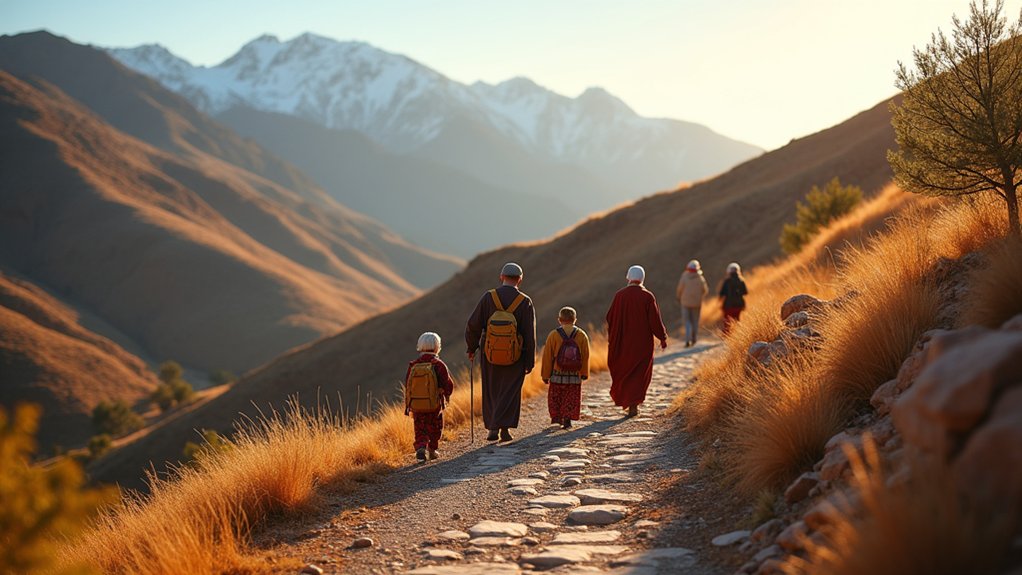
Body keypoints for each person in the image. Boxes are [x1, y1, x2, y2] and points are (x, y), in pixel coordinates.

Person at [465, 262, 537, 442]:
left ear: (501, 277)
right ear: (520, 280)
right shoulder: (525, 301)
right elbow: (530, 334)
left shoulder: (489, 298)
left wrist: (472, 348)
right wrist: (529, 360)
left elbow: (473, 325)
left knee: (492, 389)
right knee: (510, 391)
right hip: (516, 356)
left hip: (489, 354)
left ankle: (492, 428)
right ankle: (505, 429)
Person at [605, 265, 668, 417]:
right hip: (642, 344)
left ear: (628, 277)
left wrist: (614, 336)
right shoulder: (647, 296)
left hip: (622, 343)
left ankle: (628, 401)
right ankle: (634, 403)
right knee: (640, 373)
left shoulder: (619, 295)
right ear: (642, 278)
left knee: (624, 370)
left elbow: (610, 318)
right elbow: (655, 321)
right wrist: (662, 337)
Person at [404, 332, 454, 462]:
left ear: (420, 346)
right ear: (437, 347)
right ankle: (432, 449)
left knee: (420, 427)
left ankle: (421, 447)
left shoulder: (413, 365)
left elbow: (407, 384)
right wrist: (447, 394)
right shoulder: (438, 364)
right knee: (435, 427)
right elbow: (448, 383)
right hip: (434, 405)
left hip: (417, 405)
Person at [540, 306, 591, 429]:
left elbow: (547, 356)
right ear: (575, 319)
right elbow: (585, 356)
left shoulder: (553, 335)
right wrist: (584, 373)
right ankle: (567, 419)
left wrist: (545, 375)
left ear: (559, 320)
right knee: (571, 397)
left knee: (556, 397)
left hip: (557, 374)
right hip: (574, 375)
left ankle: (556, 418)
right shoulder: (581, 335)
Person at [676, 259, 709, 347]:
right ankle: (694, 339)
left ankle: (687, 340)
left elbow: (680, 289)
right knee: (695, 321)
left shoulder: (684, 276)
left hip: (685, 303)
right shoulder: (700, 278)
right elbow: (705, 290)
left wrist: (679, 297)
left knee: (687, 321)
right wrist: (700, 297)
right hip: (697, 303)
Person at [718, 262, 748, 335]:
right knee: (737, 320)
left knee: (727, 321)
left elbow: (722, 293)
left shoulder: (727, 281)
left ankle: (727, 336)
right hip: (739, 305)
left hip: (728, 305)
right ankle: (737, 335)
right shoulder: (741, 281)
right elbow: (745, 292)